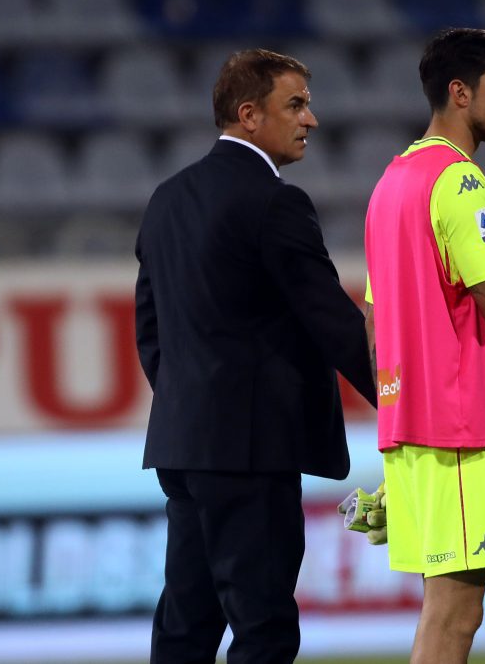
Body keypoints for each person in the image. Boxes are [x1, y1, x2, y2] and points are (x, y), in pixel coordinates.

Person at [135, 49, 377, 663]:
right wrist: (402, 406)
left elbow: (151, 332)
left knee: (185, 625)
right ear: (249, 115)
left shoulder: (166, 198)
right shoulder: (275, 202)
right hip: (251, 449)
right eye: (295, 104)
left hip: (184, 445)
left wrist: (195, 400)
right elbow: (335, 325)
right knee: (262, 625)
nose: (311, 120)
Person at [363, 27, 485, 664]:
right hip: (457, 428)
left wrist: (403, 409)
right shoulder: (459, 182)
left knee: (442, 607)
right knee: (456, 613)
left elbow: (378, 318)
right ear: (459, 92)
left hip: (418, 425)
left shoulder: (391, 182)